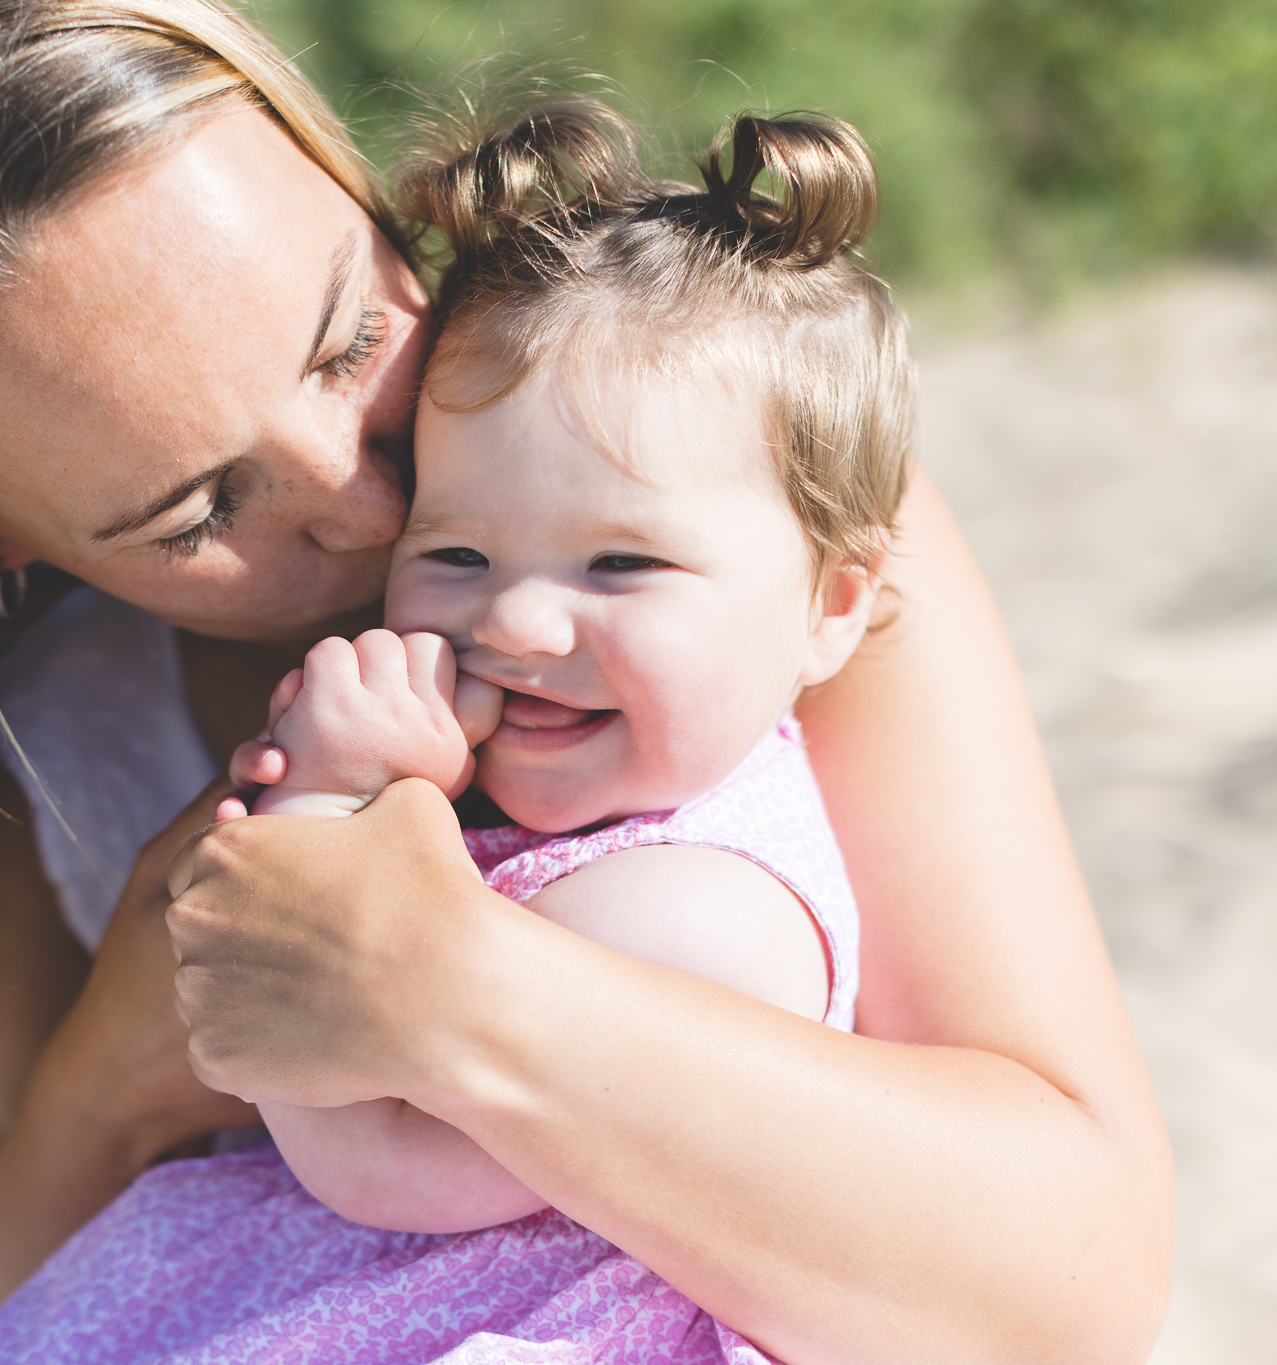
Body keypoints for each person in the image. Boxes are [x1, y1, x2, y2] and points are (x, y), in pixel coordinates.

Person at [0, 3, 1172, 1363]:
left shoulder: (717, 492)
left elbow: (1078, 1277)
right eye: (199, 509)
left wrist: (445, 988)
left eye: (351, 342)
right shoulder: (46, 722)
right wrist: (116, 1069)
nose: (374, 504)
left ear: (331, 166)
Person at [213, 106, 896, 1247]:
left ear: (827, 606)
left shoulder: (697, 915)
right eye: (455, 554)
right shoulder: (622, 818)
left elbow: (389, 1168)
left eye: (621, 562)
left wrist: (316, 818)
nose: (518, 622)